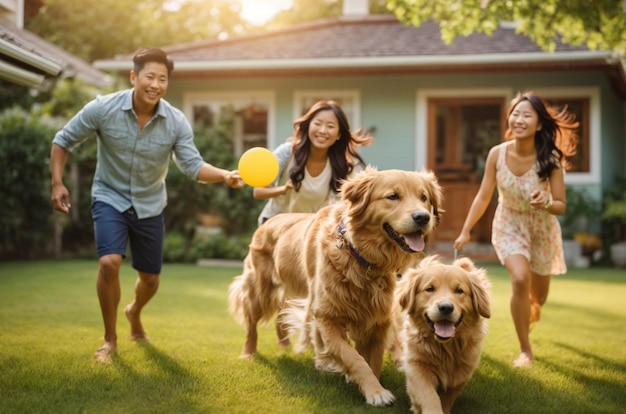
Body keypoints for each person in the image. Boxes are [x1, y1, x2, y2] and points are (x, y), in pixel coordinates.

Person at [50, 47, 244, 363]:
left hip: (150, 204)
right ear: (134, 77)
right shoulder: (103, 108)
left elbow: (192, 165)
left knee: (150, 279)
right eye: (149, 76)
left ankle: (134, 311)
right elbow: (62, 140)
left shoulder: (176, 122)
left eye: (162, 79)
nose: (155, 84)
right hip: (109, 197)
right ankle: (109, 339)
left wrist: (224, 175)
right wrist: (58, 182)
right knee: (109, 262)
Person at [453, 91, 578, 367]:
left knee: (538, 297)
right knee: (520, 279)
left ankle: (532, 310)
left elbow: (560, 205)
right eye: (515, 114)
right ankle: (525, 350)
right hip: (509, 223)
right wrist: (466, 230)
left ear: (539, 124)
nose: (519, 119)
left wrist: (546, 201)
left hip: (542, 229)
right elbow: (484, 195)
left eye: (527, 115)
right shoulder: (497, 154)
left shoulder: (551, 159)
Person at [254, 100, 372, 225]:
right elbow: (258, 191)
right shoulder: (288, 151)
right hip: (275, 225)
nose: (322, 130)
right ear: (309, 125)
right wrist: (283, 189)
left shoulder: (341, 164)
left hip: (308, 231)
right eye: (317, 123)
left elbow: (354, 200)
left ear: (338, 135)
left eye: (330, 126)